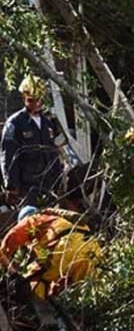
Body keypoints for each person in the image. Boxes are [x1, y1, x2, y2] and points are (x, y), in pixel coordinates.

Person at [0, 205, 102, 299]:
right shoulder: (60, 221)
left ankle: (32, 305)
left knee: (36, 282)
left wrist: (11, 272)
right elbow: (45, 259)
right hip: (93, 249)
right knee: (90, 291)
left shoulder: (32, 220)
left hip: (67, 246)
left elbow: (9, 241)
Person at [1, 75, 63, 207]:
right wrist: (11, 185)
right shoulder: (15, 123)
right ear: (24, 97)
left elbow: (53, 152)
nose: (36, 104)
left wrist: (59, 180)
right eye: (31, 100)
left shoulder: (47, 123)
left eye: (38, 100)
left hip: (48, 185)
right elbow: (8, 155)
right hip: (26, 187)